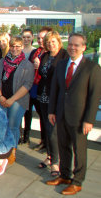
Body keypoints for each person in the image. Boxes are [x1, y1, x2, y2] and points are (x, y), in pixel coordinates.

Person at [46, 33, 101, 195]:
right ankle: (64, 175)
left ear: (83, 47)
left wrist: (89, 120)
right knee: (63, 147)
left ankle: (77, 182)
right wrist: (51, 111)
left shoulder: (92, 68)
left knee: (79, 150)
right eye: (70, 44)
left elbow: (94, 96)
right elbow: (55, 90)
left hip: (80, 118)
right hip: (61, 114)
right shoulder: (62, 65)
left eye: (76, 45)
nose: (72, 47)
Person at [0, 36, 34, 164]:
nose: (15, 49)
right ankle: (1, 149)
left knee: (12, 126)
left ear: (22, 47)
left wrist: (11, 100)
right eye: (12, 46)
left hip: (18, 100)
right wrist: (0, 96)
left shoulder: (27, 65)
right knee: (1, 125)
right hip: (2, 98)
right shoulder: (2, 62)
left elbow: (27, 85)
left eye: (18, 46)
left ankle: (11, 151)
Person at [36, 31, 68, 176]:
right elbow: (42, 74)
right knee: (47, 129)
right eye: (48, 42)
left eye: (53, 41)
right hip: (43, 97)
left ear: (59, 42)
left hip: (55, 99)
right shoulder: (45, 55)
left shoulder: (64, 55)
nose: (50, 44)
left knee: (53, 131)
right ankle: (50, 156)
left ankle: (56, 163)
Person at [26, 26, 52, 149]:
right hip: (33, 85)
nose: (41, 40)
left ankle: (47, 143)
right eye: (39, 38)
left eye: (43, 38)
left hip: (43, 88)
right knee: (32, 113)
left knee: (44, 116)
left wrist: (39, 65)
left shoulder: (50, 54)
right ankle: (41, 140)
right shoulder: (36, 52)